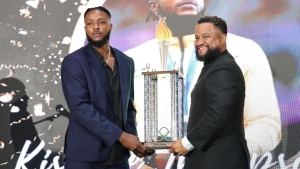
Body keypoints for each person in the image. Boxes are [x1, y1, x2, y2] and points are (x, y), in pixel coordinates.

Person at [124, 0, 281, 157]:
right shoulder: (132, 59)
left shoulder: (245, 50)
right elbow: (118, 128)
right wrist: (142, 154)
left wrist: (217, 152)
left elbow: (265, 125)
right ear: (154, 5)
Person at [61, 6, 154, 169]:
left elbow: (129, 109)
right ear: (85, 29)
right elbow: (80, 107)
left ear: (110, 26)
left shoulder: (127, 61)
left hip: (119, 156)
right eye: (90, 23)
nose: (95, 27)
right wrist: (122, 136)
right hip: (85, 157)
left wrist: (133, 140)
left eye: (101, 22)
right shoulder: (74, 61)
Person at [168, 15, 250, 169]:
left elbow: (217, 113)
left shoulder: (224, 68)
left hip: (219, 159)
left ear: (223, 38)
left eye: (206, 36)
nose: (199, 42)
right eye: (197, 37)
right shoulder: (214, 65)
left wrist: (187, 143)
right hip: (209, 158)